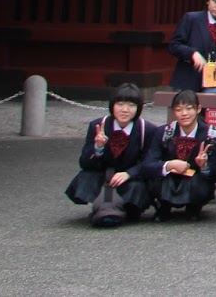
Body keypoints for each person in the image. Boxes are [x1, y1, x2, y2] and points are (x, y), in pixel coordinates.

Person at [67, 83, 158, 223]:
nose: (125, 110)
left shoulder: (147, 129)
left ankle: (120, 209)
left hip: (131, 177)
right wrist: (98, 147)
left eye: (131, 105)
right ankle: (105, 209)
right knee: (87, 178)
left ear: (138, 108)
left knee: (138, 187)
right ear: (112, 105)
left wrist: (129, 173)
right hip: (103, 175)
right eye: (120, 104)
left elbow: (150, 161)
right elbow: (84, 163)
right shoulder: (98, 125)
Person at [141, 89, 216, 221]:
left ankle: (194, 207)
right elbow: (147, 165)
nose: (184, 114)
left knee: (201, 183)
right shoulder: (164, 132)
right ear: (174, 111)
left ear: (198, 109)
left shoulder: (211, 135)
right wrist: (169, 165)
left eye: (189, 109)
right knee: (156, 179)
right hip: (169, 178)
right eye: (179, 110)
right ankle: (164, 206)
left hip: (195, 179)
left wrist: (204, 166)